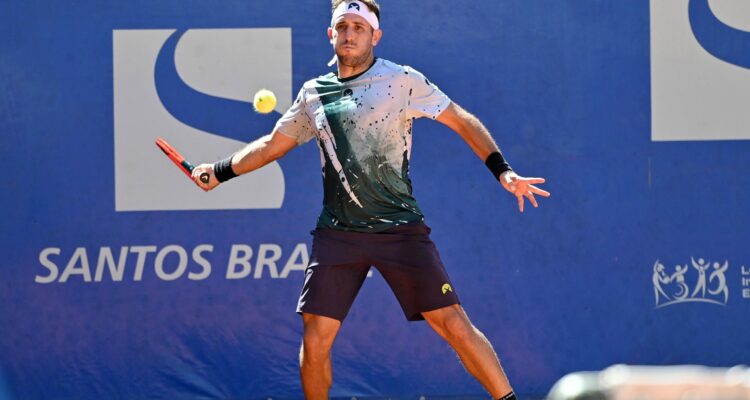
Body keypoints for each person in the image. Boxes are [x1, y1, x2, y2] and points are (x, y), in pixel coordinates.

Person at [191, 1, 550, 398]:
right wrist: (220, 171)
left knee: (452, 323)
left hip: (399, 230)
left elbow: (461, 120)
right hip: (339, 234)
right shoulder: (314, 93)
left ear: (375, 35)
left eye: (359, 27)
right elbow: (273, 146)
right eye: (342, 26)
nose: (350, 34)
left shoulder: (402, 81)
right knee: (315, 337)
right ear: (331, 34)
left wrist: (503, 170)